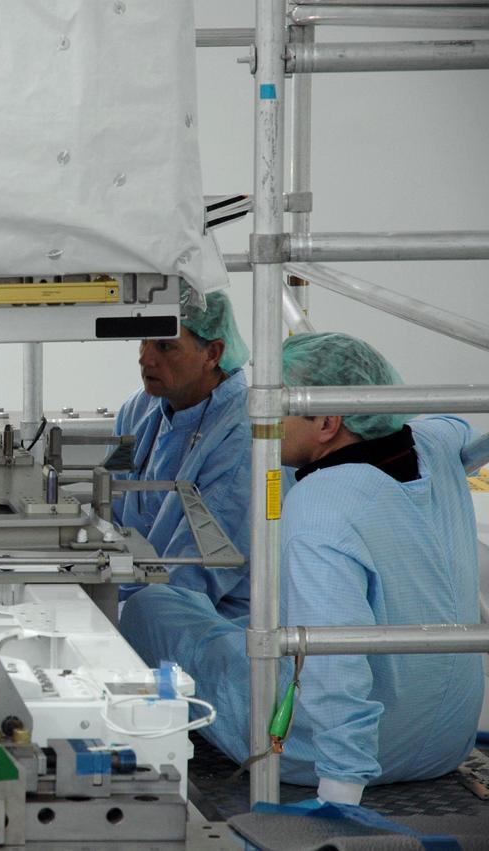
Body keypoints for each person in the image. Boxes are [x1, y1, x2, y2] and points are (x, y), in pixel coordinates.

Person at [120, 333, 483, 804]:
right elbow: (459, 426)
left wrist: (340, 790)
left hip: (340, 756)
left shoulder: (321, 504)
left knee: (150, 608)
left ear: (328, 423)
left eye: (277, 406)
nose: (258, 418)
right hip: (450, 740)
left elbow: (337, 661)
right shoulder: (436, 446)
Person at [112, 287, 252, 618]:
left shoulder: (242, 438)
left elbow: (195, 577)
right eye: (143, 340)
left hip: (207, 623)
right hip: (135, 599)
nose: (145, 357)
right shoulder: (138, 409)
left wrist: (117, 611)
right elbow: (111, 501)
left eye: (165, 346)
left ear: (213, 353)